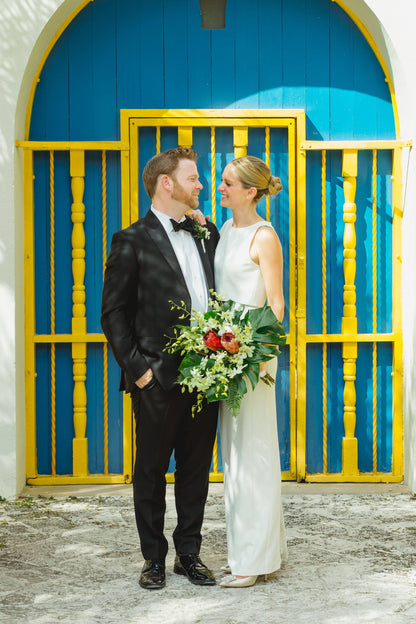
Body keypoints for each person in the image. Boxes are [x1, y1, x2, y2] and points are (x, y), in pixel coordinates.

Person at [101, 147, 220, 590]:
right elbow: (112, 314)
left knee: (196, 471)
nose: (201, 185)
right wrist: (140, 372)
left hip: (206, 375)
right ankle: (153, 557)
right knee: (150, 471)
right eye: (193, 178)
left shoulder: (205, 234)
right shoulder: (130, 239)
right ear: (166, 182)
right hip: (155, 379)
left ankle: (188, 553)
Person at [214, 155, 287, 588]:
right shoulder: (226, 229)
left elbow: (275, 306)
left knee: (253, 454)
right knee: (235, 457)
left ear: (251, 191)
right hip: (222, 352)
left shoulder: (264, 237)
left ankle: (252, 562)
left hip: (252, 357)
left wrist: (251, 355)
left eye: (227, 183)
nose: (221, 187)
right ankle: (256, 551)